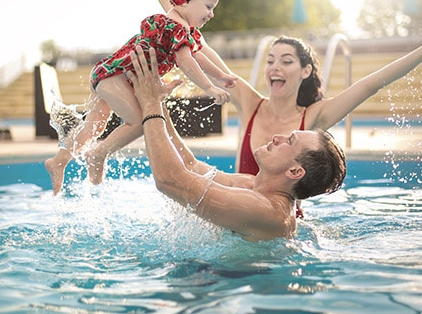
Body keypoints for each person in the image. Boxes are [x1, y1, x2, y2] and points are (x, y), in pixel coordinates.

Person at [118, 0, 422, 217]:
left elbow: (369, 85)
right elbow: (197, 44)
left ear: (305, 71)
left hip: (257, 218)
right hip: (230, 208)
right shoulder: (251, 103)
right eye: (271, 60)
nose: (275, 67)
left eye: (286, 61)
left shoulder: (313, 121)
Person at [45, 0, 237, 195]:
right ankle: (97, 154)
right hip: (116, 76)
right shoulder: (174, 26)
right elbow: (187, 62)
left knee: (94, 126)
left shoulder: (182, 28)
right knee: (139, 123)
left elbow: (197, 56)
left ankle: (59, 160)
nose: (211, 13)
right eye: (208, 6)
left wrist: (222, 76)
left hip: (109, 74)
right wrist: (209, 87)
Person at [126, 45, 347, 242]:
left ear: (295, 171)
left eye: (289, 141)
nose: (277, 137)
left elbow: (170, 181)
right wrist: (157, 100)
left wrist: (150, 103)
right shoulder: (252, 185)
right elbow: (190, 167)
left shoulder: (265, 211)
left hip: (234, 282)